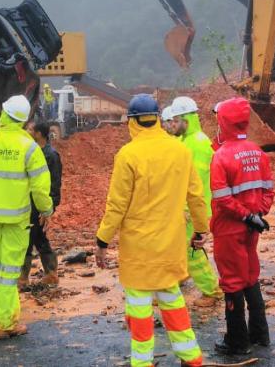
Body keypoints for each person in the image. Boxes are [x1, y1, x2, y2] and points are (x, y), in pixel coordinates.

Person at [95, 94, 207, 367]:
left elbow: (117, 205)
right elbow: (196, 196)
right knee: (172, 300)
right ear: (157, 118)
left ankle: (142, 362)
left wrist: (102, 239)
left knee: (139, 307)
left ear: (132, 121)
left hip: (138, 251)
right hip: (170, 246)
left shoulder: (128, 154)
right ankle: (191, 358)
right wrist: (201, 230)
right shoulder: (180, 150)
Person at [0, 95, 53, 339]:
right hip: (16, 220)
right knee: (8, 274)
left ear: (3, 115)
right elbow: (40, 188)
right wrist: (46, 210)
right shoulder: (30, 148)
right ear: (24, 121)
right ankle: (6, 324)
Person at [209, 97, 274, 355]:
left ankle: (237, 342)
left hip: (229, 227)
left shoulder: (221, 157)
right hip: (252, 228)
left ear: (223, 122)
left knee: (232, 281)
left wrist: (245, 216)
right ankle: (260, 335)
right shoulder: (258, 152)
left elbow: (222, 198)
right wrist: (256, 215)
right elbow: (269, 190)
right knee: (250, 275)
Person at [168, 96, 224, 307]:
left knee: (191, 251)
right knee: (181, 247)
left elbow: (196, 184)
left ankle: (212, 290)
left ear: (186, 120)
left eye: (176, 120)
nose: (172, 124)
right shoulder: (187, 141)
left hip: (194, 209)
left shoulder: (197, 144)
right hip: (188, 207)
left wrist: (186, 209)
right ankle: (181, 277)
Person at [20, 121, 63, 287]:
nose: (27, 131)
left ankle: (22, 278)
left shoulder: (51, 155)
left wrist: (49, 208)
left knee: (29, 238)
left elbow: (54, 183)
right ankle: (51, 273)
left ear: (39, 133)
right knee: (38, 237)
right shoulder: (33, 152)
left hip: (40, 204)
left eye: (30, 129)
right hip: (31, 202)